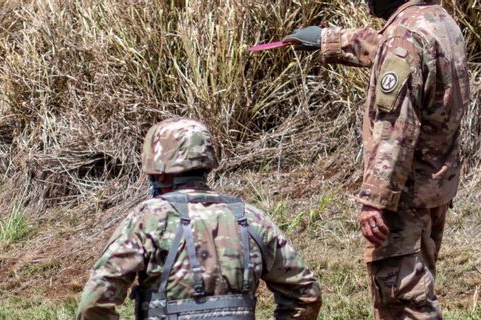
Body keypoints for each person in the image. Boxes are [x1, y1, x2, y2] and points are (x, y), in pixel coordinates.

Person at [282, 0, 469, 319]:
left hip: (404, 196)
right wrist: (327, 39)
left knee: (404, 304)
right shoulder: (438, 21)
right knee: (416, 289)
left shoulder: (405, 37)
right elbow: (390, 47)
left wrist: (376, 201)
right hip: (435, 188)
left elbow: (395, 128)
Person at [76, 118, 322, 320]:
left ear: (158, 171)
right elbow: (305, 294)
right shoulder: (251, 217)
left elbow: (94, 302)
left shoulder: (148, 219)